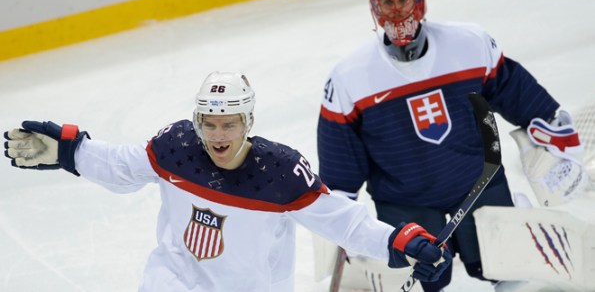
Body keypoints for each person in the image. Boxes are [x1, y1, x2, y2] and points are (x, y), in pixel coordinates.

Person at [4, 71, 451, 292]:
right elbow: (123, 166)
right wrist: (71, 151)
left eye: (229, 124)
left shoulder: (280, 173)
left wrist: (403, 243)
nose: (218, 135)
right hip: (176, 279)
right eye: (210, 123)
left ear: (249, 121)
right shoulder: (176, 146)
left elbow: (344, 223)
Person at [316, 0, 588, 291]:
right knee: (419, 282)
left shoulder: (469, 43)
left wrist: (561, 147)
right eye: (387, 1)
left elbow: (521, 98)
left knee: (518, 274)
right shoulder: (348, 78)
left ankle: (513, 212)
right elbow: (340, 170)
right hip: (404, 201)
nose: (397, 10)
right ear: (375, 8)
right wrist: (346, 230)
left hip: (479, 182)